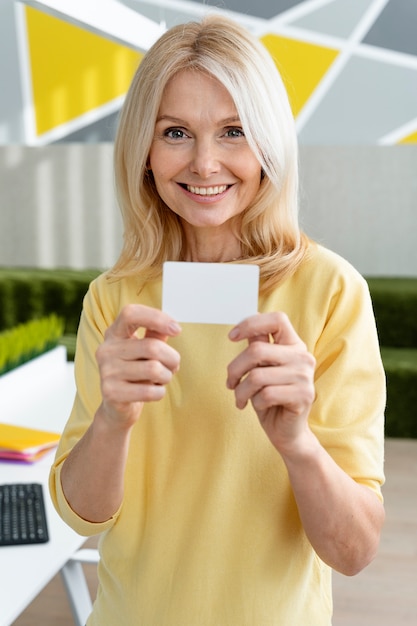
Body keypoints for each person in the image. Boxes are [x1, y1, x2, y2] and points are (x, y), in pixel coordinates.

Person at [50, 14, 385, 626]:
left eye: (233, 131)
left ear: (268, 143)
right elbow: (80, 517)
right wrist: (112, 419)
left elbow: (354, 550)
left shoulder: (332, 292)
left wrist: (298, 444)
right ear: (144, 153)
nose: (205, 164)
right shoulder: (114, 299)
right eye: (176, 132)